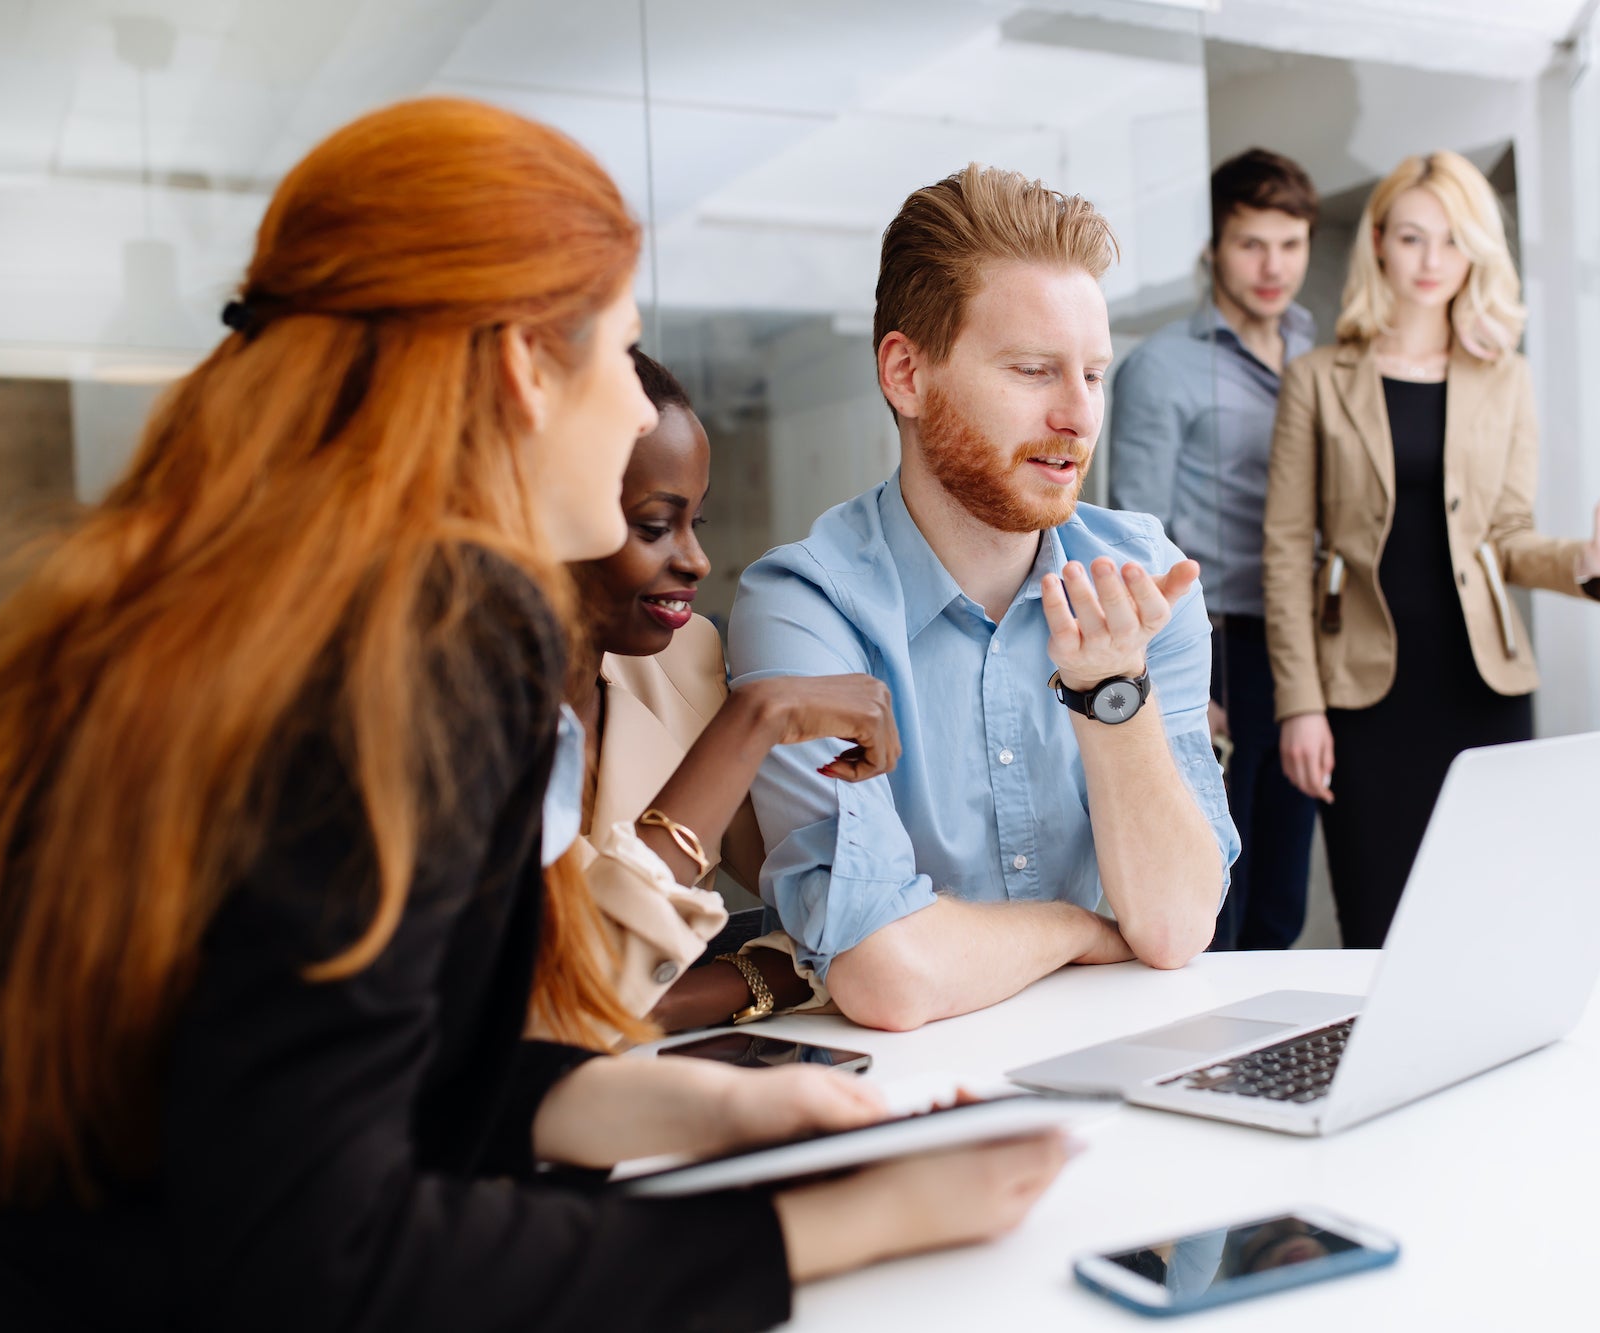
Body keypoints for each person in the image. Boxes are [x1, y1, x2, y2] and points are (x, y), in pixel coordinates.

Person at [0, 99, 1072, 1332]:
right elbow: (322, 1254)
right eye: (620, 353)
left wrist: (704, 1110)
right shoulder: (437, 635)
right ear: (519, 369)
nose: (637, 415)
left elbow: (338, 1090)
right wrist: (842, 1222)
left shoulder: (211, 594)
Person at [728, 164, 1241, 1034]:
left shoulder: (1146, 582)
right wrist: (1082, 928)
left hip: (1131, 1054)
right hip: (919, 1096)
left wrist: (1111, 690)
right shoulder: (806, 606)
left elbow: (1174, 926)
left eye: (1095, 374)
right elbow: (888, 974)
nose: (1079, 416)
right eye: (1036, 369)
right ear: (906, 374)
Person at [1262, 150, 1600, 948]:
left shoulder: (1504, 377)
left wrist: (1593, 556)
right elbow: (1283, 553)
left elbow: (1508, 538)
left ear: (1475, 252)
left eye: (1452, 241)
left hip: (1478, 687)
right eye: (1413, 238)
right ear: (1379, 241)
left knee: (1489, 924)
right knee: (1378, 926)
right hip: (1360, 699)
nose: (1431, 261)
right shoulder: (1316, 379)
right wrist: (1301, 705)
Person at [559, 349, 863, 1033]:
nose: (696, 560)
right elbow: (573, 997)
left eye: (697, 522)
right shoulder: (435, 718)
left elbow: (829, 923)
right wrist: (756, 717)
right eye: (653, 525)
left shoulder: (684, 654)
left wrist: (672, 1000)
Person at [1107, 147, 1323, 952]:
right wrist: (1178, 677)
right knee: (1215, 895)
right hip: (1215, 642)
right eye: (1251, 244)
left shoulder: (1317, 352)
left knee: (1283, 893)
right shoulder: (1163, 366)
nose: (1273, 267)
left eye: (1290, 244)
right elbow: (1138, 531)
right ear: (1213, 249)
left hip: (1298, 646)